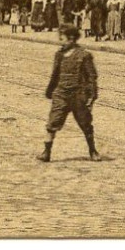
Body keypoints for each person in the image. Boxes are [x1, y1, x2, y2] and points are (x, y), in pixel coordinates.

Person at [39, 24, 100, 162]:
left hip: (78, 95)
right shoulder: (59, 55)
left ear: (71, 39)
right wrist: (50, 91)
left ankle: (93, 150)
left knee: (85, 123)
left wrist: (92, 96)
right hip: (61, 94)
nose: (60, 40)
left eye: (62, 38)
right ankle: (46, 152)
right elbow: (55, 75)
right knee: (53, 122)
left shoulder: (84, 55)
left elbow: (92, 77)